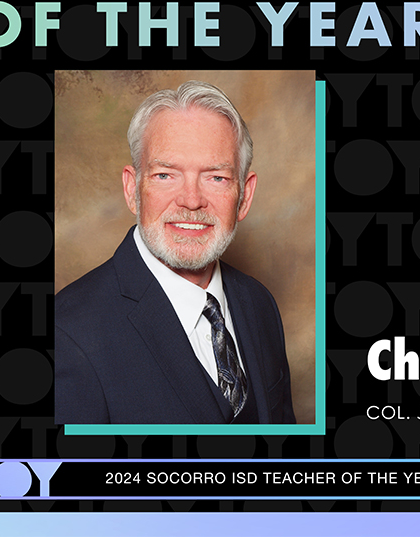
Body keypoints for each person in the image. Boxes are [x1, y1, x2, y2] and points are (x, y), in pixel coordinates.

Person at [54, 80, 296, 424]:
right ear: (132, 188)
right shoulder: (67, 334)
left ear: (244, 196)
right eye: (166, 175)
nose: (192, 200)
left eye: (216, 178)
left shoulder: (259, 304)